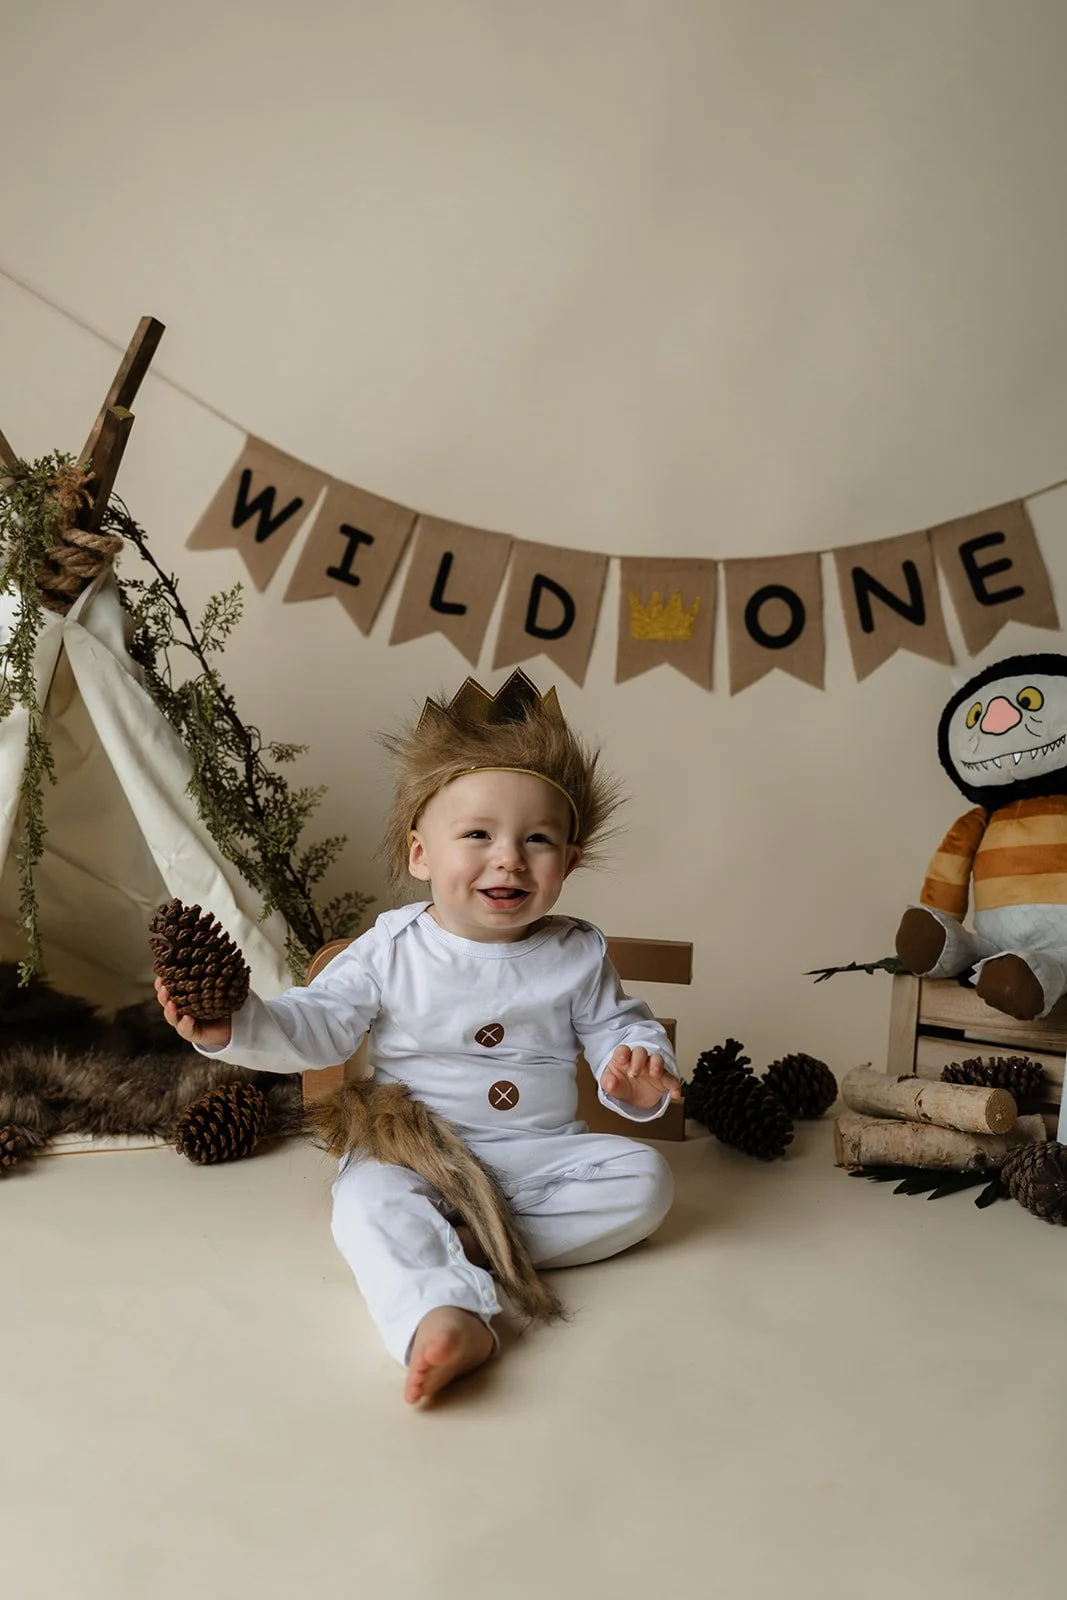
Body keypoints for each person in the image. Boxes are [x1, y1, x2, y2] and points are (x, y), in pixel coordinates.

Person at [156, 668, 681, 1405]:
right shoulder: (390, 947)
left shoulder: (577, 951)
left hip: (539, 1154)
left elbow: (614, 1027)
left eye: (537, 839)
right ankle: (445, 1312)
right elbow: (317, 1023)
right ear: (419, 855)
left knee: (645, 1183)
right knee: (366, 1199)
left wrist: (637, 1069)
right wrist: (232, 1023)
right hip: (422, 1150)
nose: (508, 857)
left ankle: (461, 1247)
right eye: (477, 835)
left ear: (568, 861)